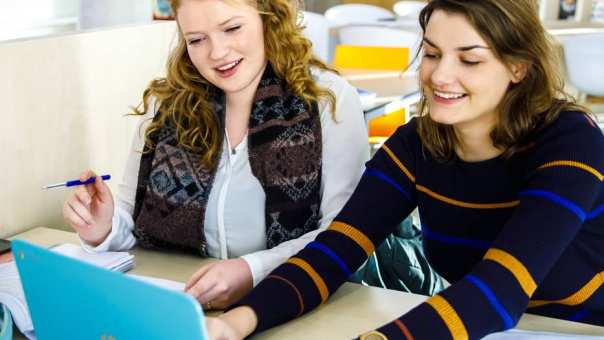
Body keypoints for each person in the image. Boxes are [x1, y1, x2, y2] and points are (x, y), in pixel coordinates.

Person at [209, 0, 604, 338]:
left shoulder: (571, 142)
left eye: (469, 59)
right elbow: (334, 252)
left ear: (518, 67)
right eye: (432, 54)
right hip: (482, 327)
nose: (440, 76)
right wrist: (237, 322)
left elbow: (498, 290)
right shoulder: (416, 144)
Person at [62, 0, 369, 311]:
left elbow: (343, 238)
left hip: (302, 308)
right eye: (196, 39)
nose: (217, 53)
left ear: (268, 18)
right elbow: (134, 225)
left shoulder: (328, 101)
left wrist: (252, 270)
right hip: (186, 308)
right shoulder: (167, 106)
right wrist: (103, 228)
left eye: (232, 28)